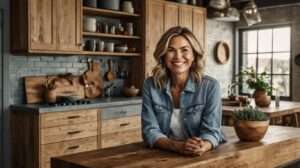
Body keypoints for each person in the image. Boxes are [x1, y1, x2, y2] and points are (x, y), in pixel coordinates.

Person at [141, 26, 225, 156]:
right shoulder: (150, 85)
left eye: (185, 50)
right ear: (163, 55)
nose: (178, 56)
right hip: (164, 154)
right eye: (171, 50)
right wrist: (177, 146)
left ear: (194, 55)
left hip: (203, 156)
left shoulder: (210, 87)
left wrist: (202, 146)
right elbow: (149, 131)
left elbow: (212, 132)